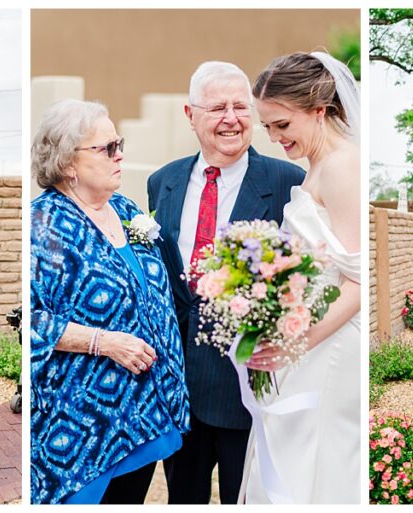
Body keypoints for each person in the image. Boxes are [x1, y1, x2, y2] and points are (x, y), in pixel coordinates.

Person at [147, 61, 305, 504]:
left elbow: (301, 285)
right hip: (177, 383)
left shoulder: (289, 182)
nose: (232, 119)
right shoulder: (164, 182)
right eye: (218, 108)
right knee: (184, 497)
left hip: (247, 386)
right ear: (190, 114)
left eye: (241, 106)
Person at [30, 99, 190, 504]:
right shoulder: (42, 224)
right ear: (68, 163)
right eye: (106, 148)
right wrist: (104, 342)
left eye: (120, 144)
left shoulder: (124, 208)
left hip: (148, 409)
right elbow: (29, 320)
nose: (120, 155)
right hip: (87, 423)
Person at [234, 51, 360, 504]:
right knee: (289, 458)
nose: (273, 137)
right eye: (267, 127)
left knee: (315, 461)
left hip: (329, 346)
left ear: (319, 110)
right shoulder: (318, 166)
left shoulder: (344, 166)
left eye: (282, 125)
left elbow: (358, 283)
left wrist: (298, 343)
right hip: (307, 339)